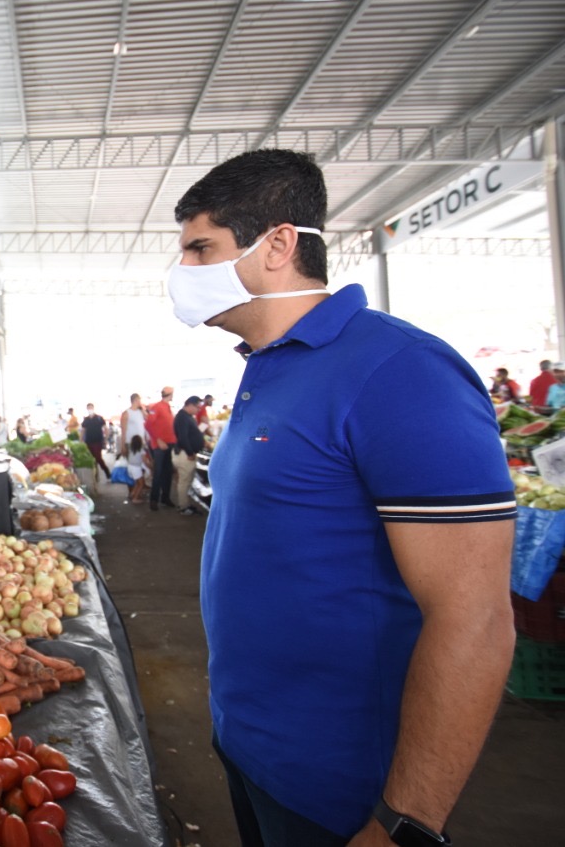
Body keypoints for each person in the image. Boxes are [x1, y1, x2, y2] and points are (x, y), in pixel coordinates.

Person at [171, 148, 515, 846]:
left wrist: (405, 820)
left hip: (342, 790)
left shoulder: (400, 371)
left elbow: (475, 619)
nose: (183, 275)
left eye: (200, 249)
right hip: (249, 749)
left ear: (279, 245)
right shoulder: (268, 369)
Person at [172, 396, 206, 515]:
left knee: (186, 481)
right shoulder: (182, 417)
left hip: (186, 453)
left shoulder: (186, 417)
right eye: (197, 407)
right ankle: (183, 506)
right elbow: (183, 437)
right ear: (190, 405)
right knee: (184, 481)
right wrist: (190, 452)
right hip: (184, 454)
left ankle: (185, 504)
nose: (198, 410)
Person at [146, 388, 177, 511]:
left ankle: (165, 498)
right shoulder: (158, 407)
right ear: (170, 394)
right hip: (159, 445)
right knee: (158, 473)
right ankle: (154, 500)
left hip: (169, 444)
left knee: (167, 472)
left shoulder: (167, 407)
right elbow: (148, 424)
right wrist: (158, 439)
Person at [79, 403, 108, 482]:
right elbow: (83, 430)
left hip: (98, 441)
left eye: (91, 407)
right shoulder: (86, 420)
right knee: (92, 459)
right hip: (89, 441)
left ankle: (107, 472)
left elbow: (105, 428)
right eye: (88, 408)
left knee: (98, 458)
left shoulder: (99, 418)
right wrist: (81, 440)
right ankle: (95, 475)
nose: (90, 409)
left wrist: (106, 438)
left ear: (93, 408)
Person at [119, 393, 146, 461]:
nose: (140, 402)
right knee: (132, 463)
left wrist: (143, 409)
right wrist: (123, 446)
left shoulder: (140, 412)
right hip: (130, 442)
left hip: (141, 442)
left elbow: (148, 418)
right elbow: (123, 431)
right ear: (136, 400)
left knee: (142, 463)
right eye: (140, 400)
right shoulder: (126, 413)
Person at [124, 435, 150, 505]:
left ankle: (133, 493)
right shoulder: (141, 450)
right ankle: (135, 498)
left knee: (137, 482)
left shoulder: (130, 449)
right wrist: (150, 466)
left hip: (130, 467)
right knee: (141, 484)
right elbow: (145, 461)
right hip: (136, 468)